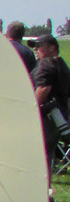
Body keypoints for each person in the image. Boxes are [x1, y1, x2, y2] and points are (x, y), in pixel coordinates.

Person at [29, 34, 70, 164]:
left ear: (52, 47)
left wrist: (31, 110)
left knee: (37, 153)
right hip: (59, 117)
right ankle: (45, 183)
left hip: (45, 116)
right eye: (34, 47)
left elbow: (43, 88)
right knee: (48, 154)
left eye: (39, 46)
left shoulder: (45, 63)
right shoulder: (61, 64)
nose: (35, 49)